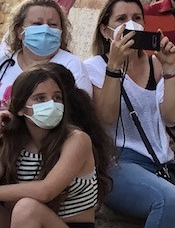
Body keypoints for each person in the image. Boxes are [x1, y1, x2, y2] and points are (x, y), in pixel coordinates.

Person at [83, 0, 175, 228]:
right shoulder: (94, 67)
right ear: (106, 31)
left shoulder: (154, 63)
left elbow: (173, 116)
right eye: (121, 19)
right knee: (168, 199)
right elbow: (106, 117)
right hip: (118, 163)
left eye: (137, 17)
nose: (131, 24)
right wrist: (114, 66)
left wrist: (169, 67)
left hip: (163, 163)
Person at [0, 66, 111, 228]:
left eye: (57, 97)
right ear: (20, 108)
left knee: (27, 209)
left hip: (70, 225)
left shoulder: (76, 140)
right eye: (40, 98)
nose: (51, 104)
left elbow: (46, 191)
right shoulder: (13, 141)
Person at [0, 0, 92, 107]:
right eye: (37, 24)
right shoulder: (4, 59)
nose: (45, 30)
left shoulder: (72, 66)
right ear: (20, 31)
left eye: (52, 25)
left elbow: (80, 112)